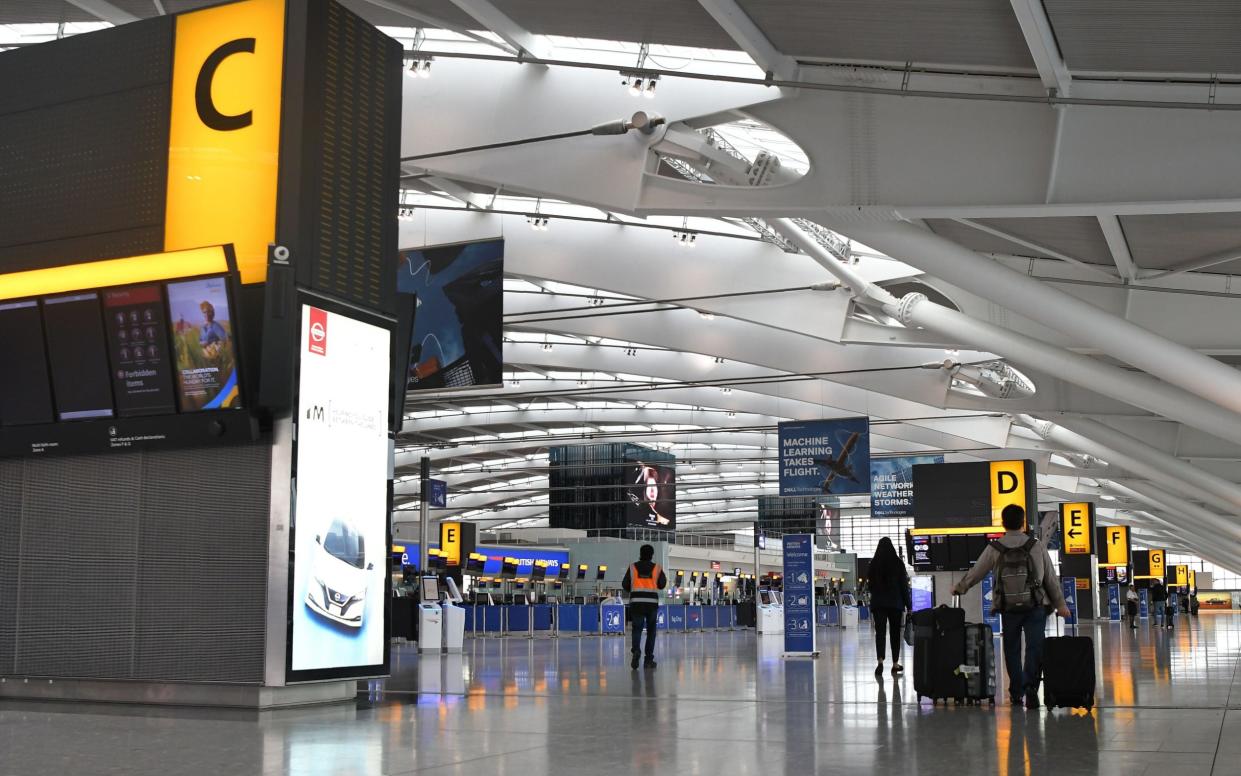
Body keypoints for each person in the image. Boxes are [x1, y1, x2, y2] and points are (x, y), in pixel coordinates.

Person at [953, 504, 1071, 708]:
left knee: (1012, 650)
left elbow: (977, 571)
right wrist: (1060, 604)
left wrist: (960, 587)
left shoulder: (995, 547)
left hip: (1009, 608)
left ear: (1003, 523)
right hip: (1035, 606)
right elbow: (1050, 578)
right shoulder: (1036, 545)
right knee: (1035, 647)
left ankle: (1017, 691)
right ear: (1023, 522)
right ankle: (1031, 687)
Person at [867, 537, 912, 678]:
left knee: (880, 633)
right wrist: (909, 605)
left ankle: (880, 661)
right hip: (895, 604)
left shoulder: (873, 564)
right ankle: (895, 664)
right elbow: (904, 586)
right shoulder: (898, 563)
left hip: (879, 604)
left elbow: (870, 586)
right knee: (894, 633)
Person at [621, 544, 667, 670]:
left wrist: (633, 587)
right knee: (651, 632)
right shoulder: (656, 568)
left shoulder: (632, 567)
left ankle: (636, 650)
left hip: (636, 603)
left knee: (637, 629)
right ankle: (648, 660)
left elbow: (625, 584)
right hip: (651, 604)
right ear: (651, 555)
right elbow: (662, 584)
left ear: (640, 553)